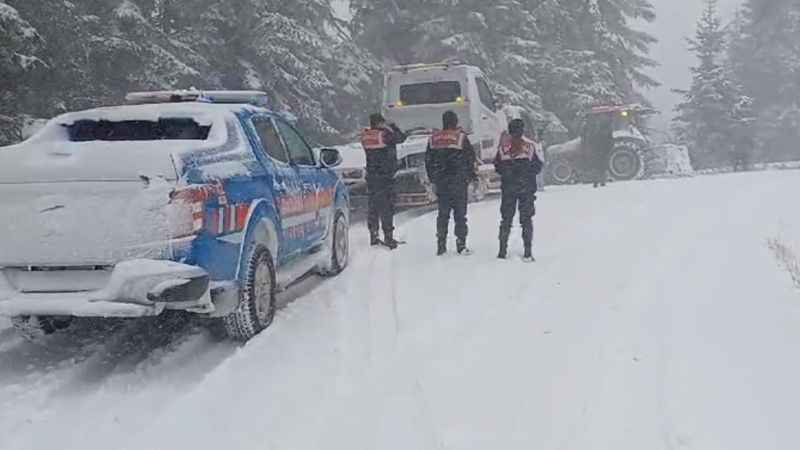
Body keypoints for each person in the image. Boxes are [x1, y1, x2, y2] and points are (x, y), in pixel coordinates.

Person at [425, 111, 477, 256]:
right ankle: (461, 244)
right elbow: (470, 158)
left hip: (442, 182)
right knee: (460, 215)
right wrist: (470, 176)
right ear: (455, 122)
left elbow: (428, 161)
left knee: (443, 214)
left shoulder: (434, 139)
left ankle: (441, 245)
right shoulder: (461, 138)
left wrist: (433, 179)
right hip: (458, 181)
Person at [494, 119, 543, 261]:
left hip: (509, 188)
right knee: (526, 220)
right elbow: (538, 166)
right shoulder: (529, 147)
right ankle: (527, 252)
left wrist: (509, 173)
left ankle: (502, 251)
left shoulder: (503, 149)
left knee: (506, 219)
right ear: (522, 131)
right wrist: (526, 174)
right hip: (526, 188)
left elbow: (497, 166)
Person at [360, 113, 407, 249]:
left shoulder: (366, 135)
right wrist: (393, 127)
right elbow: (401, 138)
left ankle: (373, 235)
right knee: (387, 207)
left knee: (373, 206)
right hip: (385, 177)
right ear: (380, 123)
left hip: (371, 176)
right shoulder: (385, 135)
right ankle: (388, 237)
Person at [584, 113, 614, 188]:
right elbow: (610, 141)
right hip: (600, 149)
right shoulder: (601, 128)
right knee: (600, 166)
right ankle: (599, 181)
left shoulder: (598, 129)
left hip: (599, 149)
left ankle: (598, 181)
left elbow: (609, 140)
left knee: (598, 166)